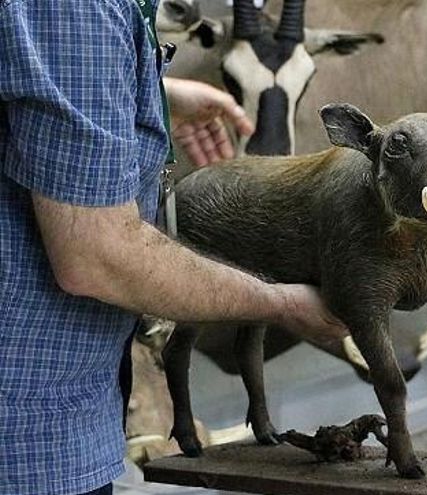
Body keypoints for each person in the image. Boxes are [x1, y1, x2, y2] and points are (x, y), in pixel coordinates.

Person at [0, 2, 349, 494]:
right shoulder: (77, 9)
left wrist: (148, 97)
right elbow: (97, 255)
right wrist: (282, 303)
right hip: (26, 444)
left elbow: (37, 63)